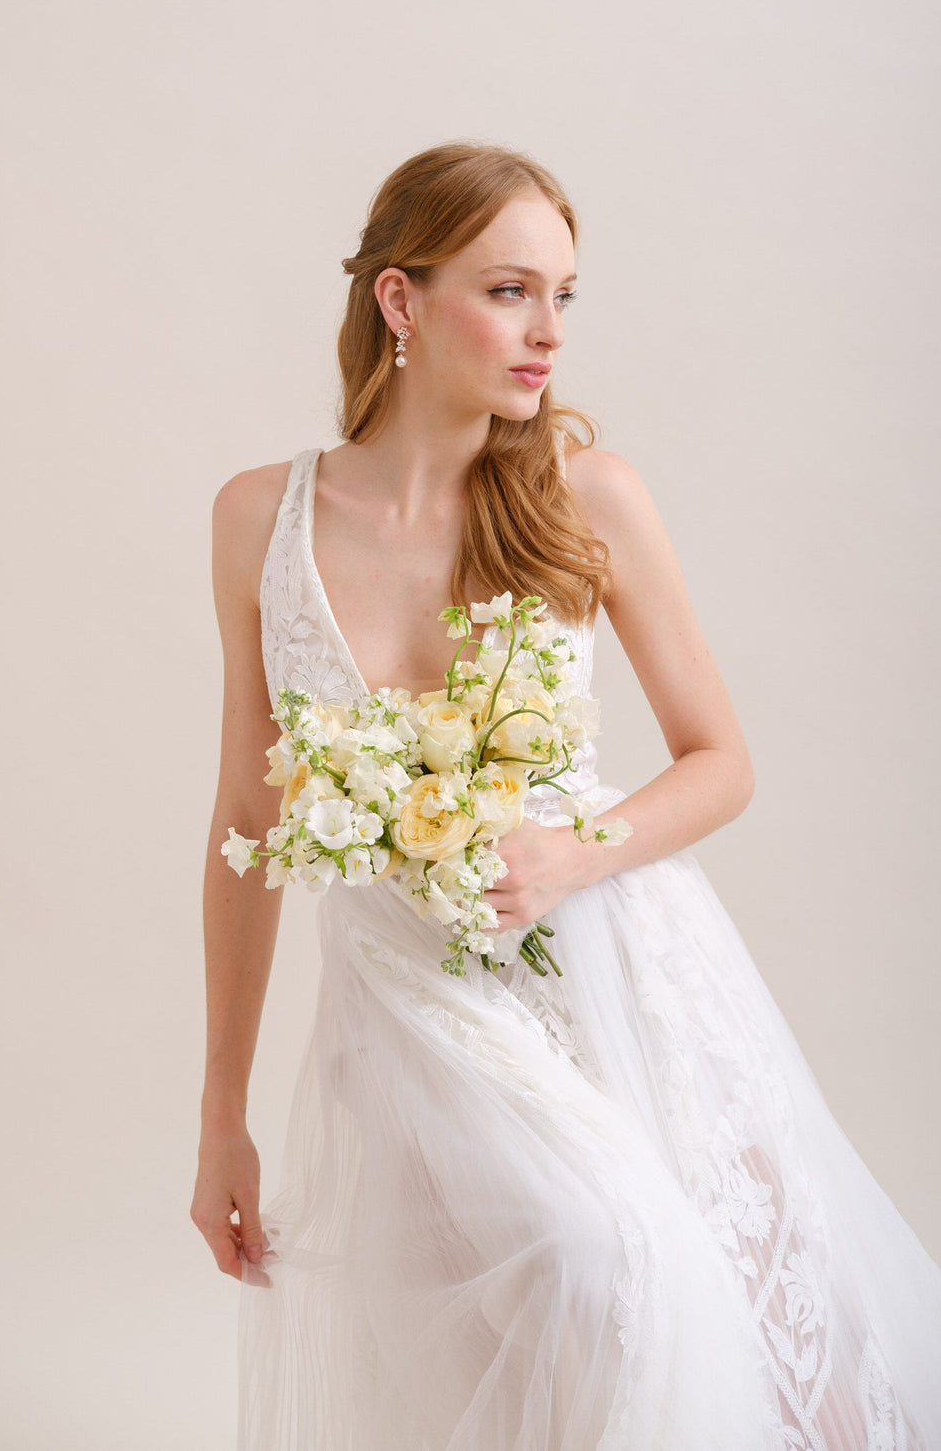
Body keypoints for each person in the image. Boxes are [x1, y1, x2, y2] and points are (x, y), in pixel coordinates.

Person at [191, 141, 941, 1450]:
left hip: (621, 965)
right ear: (401, 301)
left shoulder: (585, 497)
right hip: (409, 1004)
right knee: (599, 1270)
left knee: (773, 1333)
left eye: (564, 296)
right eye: (510, 292)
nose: (549, 333)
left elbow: (721, 759)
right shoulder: (262, 519)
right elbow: (247, 821)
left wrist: (572, 854)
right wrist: (221, 1115)